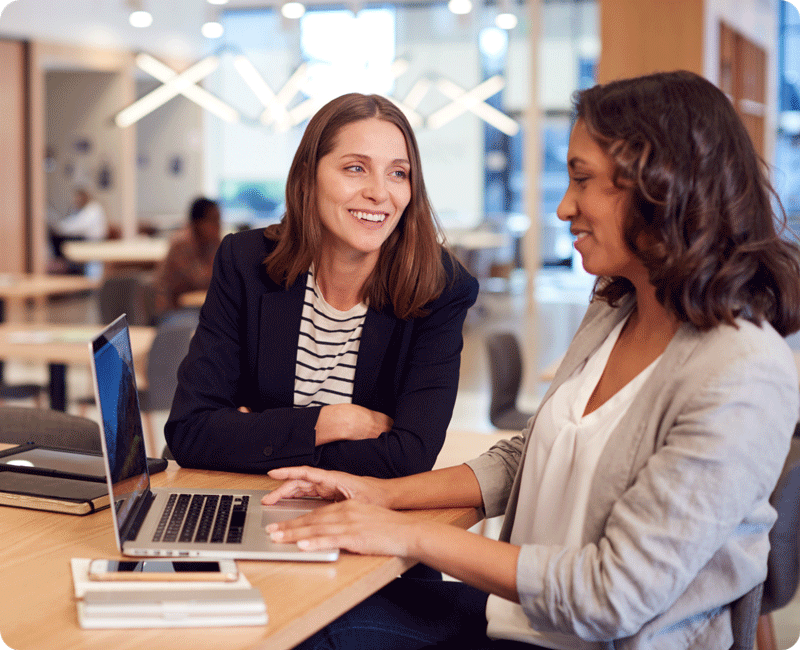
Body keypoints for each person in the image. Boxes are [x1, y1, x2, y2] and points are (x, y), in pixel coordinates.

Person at [262, 71, 800, 650]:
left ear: (663, 188)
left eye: (582, 179)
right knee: (303, 611)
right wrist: (379, 495)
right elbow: (531, 454)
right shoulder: (617, 307)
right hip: (520, 622)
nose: (565, 206)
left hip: (587, 640)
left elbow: (610, 595)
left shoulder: (744, 373)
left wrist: (403, 535)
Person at [165, 93, 478, 478]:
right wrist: (329, 424)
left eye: (398, 173)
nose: (380, 193)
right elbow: (191, 431)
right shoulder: (246, 263)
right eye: (355, 168)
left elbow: (408, 455)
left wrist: (257, 435)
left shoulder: (440, 286)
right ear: (308, 175)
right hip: (251, 504)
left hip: (364, 518)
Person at [153, 196, 222, 316]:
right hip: (171, 310)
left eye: (219, 220)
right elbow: (202, 280)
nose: (218, 226)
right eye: (213, 220)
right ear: (197, 223)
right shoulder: (182, 245)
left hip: (195, 308)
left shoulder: (210, 244)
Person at [48, 185, 109, 275]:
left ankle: (61, 266)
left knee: (92, 266)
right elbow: (72, 223)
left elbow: (77, 226)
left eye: (77, 197)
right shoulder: (82, 209)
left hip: (94, 242)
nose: (75, 200)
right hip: (85, 240)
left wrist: (59, 227)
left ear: (84, 196)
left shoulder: (93, 209)